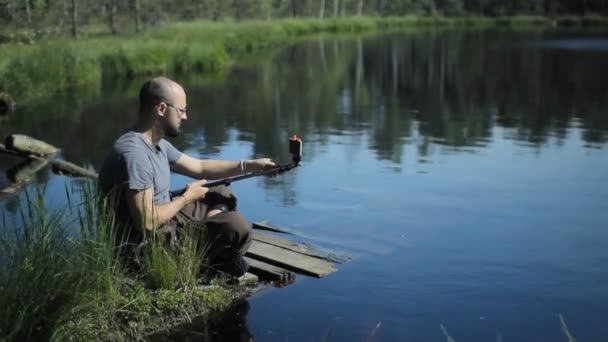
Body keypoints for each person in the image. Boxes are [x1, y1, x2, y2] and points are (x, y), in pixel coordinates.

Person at [98, 76, 276, 277]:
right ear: (162, 109)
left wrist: (251, 166)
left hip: (167, 224)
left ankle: (207, 252)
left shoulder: (156, 143)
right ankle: (205, 257)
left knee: (220, 193)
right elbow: (146, 223)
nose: (185, 117)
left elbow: (199, 167)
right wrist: (186, 198)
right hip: (149, 246)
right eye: (181, 110)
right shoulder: (134, 154)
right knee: (237, 226)